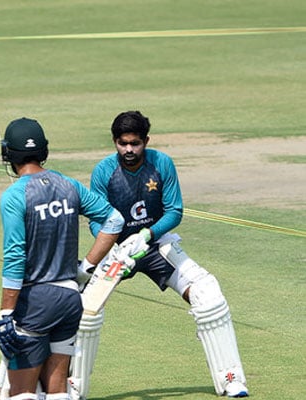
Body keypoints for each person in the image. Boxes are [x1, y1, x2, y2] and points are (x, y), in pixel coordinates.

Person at [72, 110, 249, 398]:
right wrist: (114, 246)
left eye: (135, 143)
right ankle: (73, 386)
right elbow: (95, 219)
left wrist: (146, 235)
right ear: (114, 141)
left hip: (155, 244)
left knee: (207, 294)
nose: (129, 150)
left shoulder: (162, 163)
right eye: (122, 143)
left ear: (146, 141)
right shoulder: (104, 171)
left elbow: (174, 211)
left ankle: (231, 378)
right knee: (85, 309)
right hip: (118, 251)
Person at [0, 117, 125, 400]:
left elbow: (15, 255)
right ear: (44, 150)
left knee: (22, 392)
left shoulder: (15, 196)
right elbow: (114, 220)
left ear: (8, 153)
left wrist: (6, 313)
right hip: (68, 301)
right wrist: (86, 269)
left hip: (34, 302)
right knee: (57, 391)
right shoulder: (69, 185)